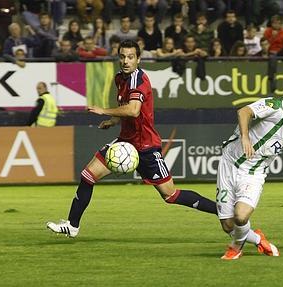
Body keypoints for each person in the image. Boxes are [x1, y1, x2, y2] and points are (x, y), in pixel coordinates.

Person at [47, 40, 217, 238]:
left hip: (146, 147)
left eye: (130, 57)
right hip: (125, 142)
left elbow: (134, 110)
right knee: (88, 175)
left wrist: (104, 111)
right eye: (122, 56)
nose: (126, 61)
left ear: (138, 59)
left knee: (170, 195)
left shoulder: (138, 80)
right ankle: (72, 225)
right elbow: (126, 110)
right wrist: (113, 120)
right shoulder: (120, 78)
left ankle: (221, 210)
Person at [218, 79, 283, 260]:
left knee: (240, 216)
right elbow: (244, 112)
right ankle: (257, 238)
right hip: (229, 162)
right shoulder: (273, 105)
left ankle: (236, 247)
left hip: (253, 173)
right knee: (228, 225)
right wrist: (245, 137)